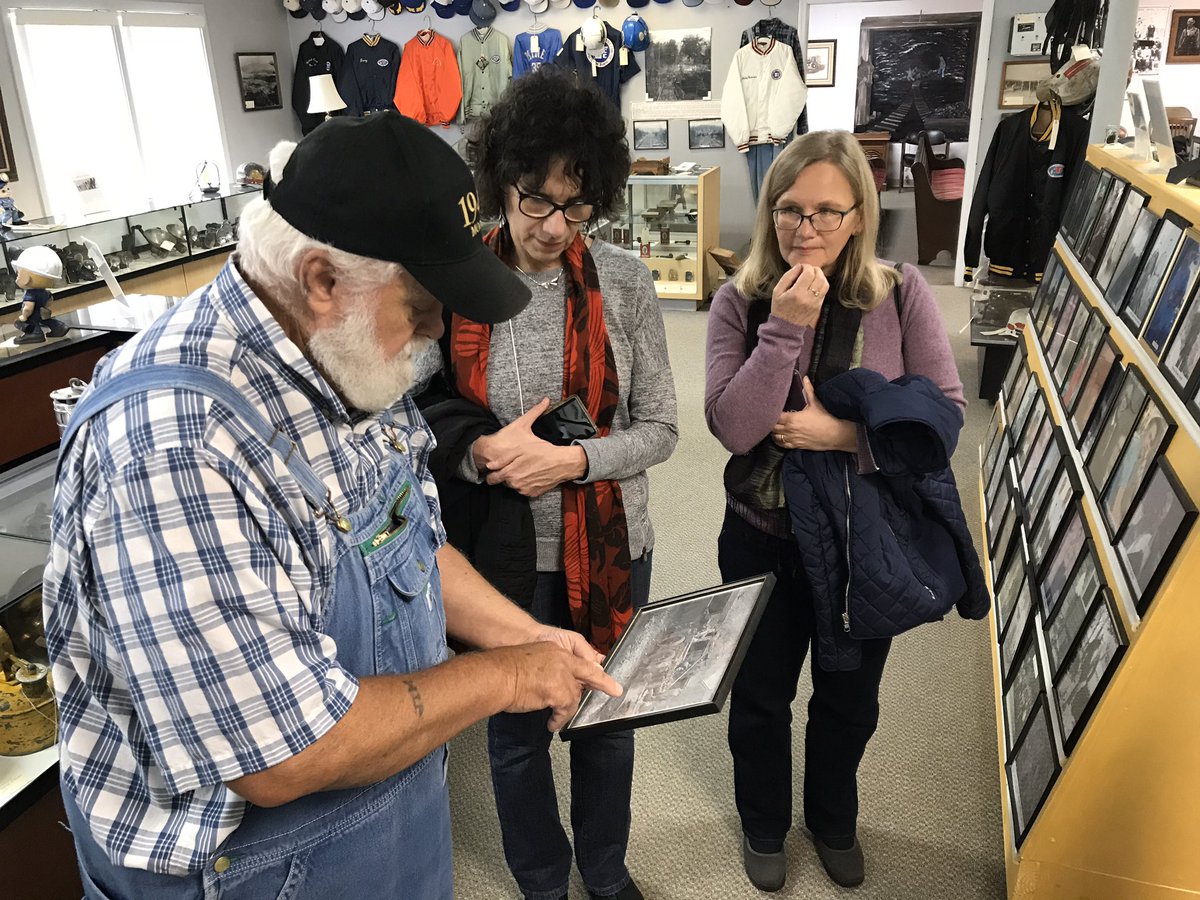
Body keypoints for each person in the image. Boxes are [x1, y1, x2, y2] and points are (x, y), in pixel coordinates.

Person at [41, 111, 622, 899]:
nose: (435, 332)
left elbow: (404, 539)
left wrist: (533, 636)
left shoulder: (347, 351)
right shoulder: (172, 446)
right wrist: (511, 677)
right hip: (253, 868)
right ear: (320, 280)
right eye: (420, 304)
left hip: (385, 812)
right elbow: (282, 756)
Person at [436, 67, 678, 900]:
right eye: (535, 199)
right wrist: (482, 456)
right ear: (503, 179)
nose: (551, 224)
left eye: (575, 206)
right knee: (513, 733)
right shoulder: (460, 282)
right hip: (503, 555)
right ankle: (542, 880)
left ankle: (605, 876)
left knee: (610, 722)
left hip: (614, 542)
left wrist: (572, 460)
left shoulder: (626, 282)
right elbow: (426, 417)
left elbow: (661, 428)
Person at [704, 130, 966, 892]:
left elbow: (944, 420)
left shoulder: (899, 292)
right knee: (759, 696)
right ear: (768, 212)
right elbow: (734, 427)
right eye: (789, 210)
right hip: (761, 534)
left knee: (849, 696)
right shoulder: (739, 301)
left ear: (858, 215)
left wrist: (840, 435)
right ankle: (762, 823)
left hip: (864, 538)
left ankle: (832, 818)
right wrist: (782, 328)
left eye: (826, 211)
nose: (806, 229)